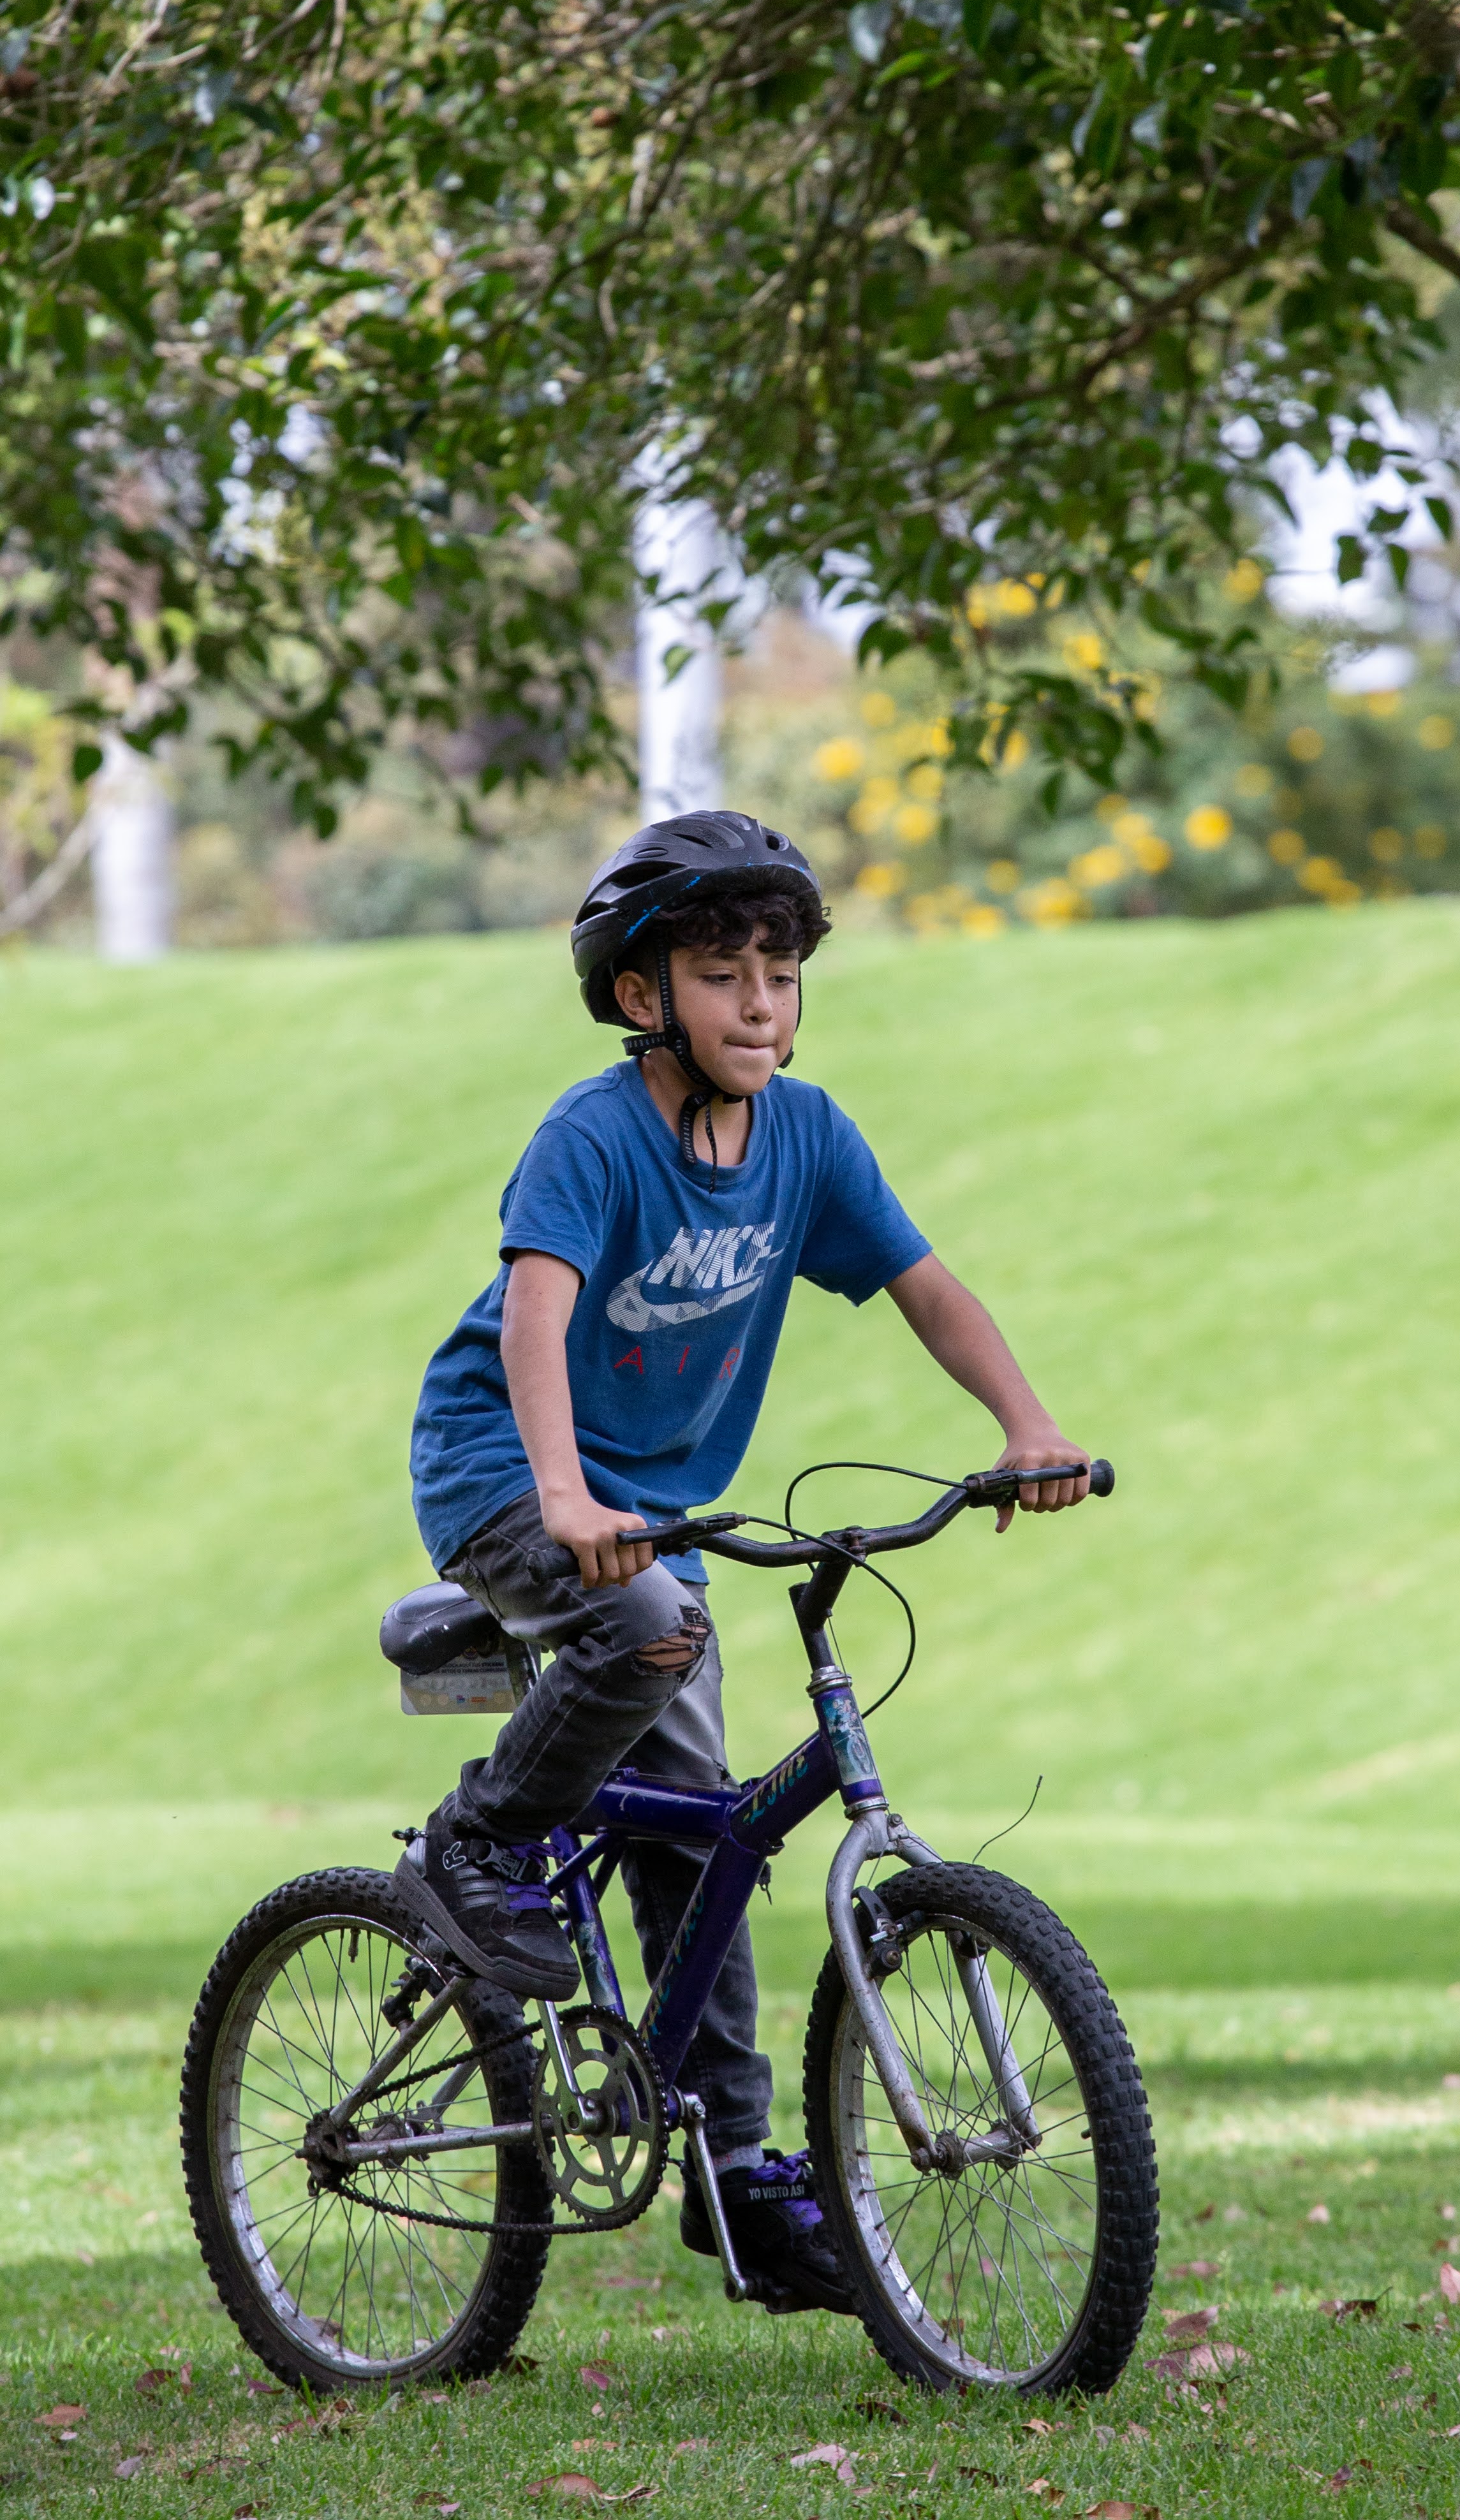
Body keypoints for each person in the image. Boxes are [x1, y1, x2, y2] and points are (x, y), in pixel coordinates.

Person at [397, 809, 1090, 2311]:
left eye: (780, 972)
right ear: (641, 993)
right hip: (509, 1472)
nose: (762, 1001)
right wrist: (564, 1494)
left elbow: (925, 1284)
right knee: (649, 1629)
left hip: (654, 1517)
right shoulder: (595, 1136)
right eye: (723, 972)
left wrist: (1027, 1424)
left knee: (704, 1835)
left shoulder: (808, 1139)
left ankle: (736, 2171)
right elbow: (535, 1316)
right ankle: (480, 1842)